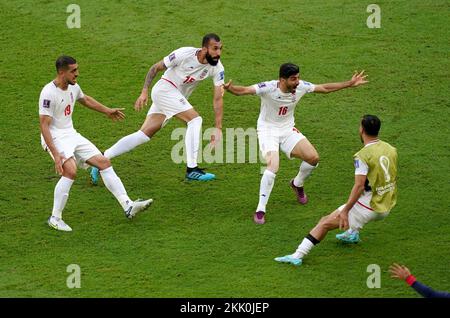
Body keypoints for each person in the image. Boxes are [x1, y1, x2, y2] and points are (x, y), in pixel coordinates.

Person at [223, 63, 368, 224]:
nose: (297, 82)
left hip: (287, 130)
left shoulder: (301, 87)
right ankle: (260, 209)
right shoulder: (268, 88)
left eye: (298, 77)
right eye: (293, 79)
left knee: (313, 158)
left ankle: (297, 183)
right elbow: (244, 90)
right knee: (272, 167)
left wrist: (349, 83)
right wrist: (231, 89)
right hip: (268, 131)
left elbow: (324, 88)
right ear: (282, 80)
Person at [89, 33, 225, 184]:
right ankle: (192, 169)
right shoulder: (184, 54)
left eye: (220, 49)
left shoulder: (217, 68)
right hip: (164, 90)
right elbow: (155, 68)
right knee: (195, 120)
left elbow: (218, 97)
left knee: (143, 135)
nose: (218, 53)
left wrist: (218, 127)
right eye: (215, 49)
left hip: (173, 98)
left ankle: (100, 159)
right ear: (204, 48)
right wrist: (144, 91)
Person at [39, 56, 153, 232]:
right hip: (55, 137)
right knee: (70, 170)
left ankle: (127, 205)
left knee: (104, 162)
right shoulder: (48, 93)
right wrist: (55, 154)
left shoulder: (73, 87)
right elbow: (44, 126)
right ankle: (55, 217)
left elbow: (85, 99)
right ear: (62, 72)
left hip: (71, 134)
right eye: (73, 70)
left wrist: (107, 110)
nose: (77, 73)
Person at [274, 115, 398, 265]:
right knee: (359, 203)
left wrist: (346, 211)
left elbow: (359, 186)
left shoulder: (362, 156)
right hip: (387, 204)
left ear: (362, 130)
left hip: (370, 207)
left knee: (325, 222)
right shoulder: (391, 149)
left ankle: (297, 256)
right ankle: (352, 232)